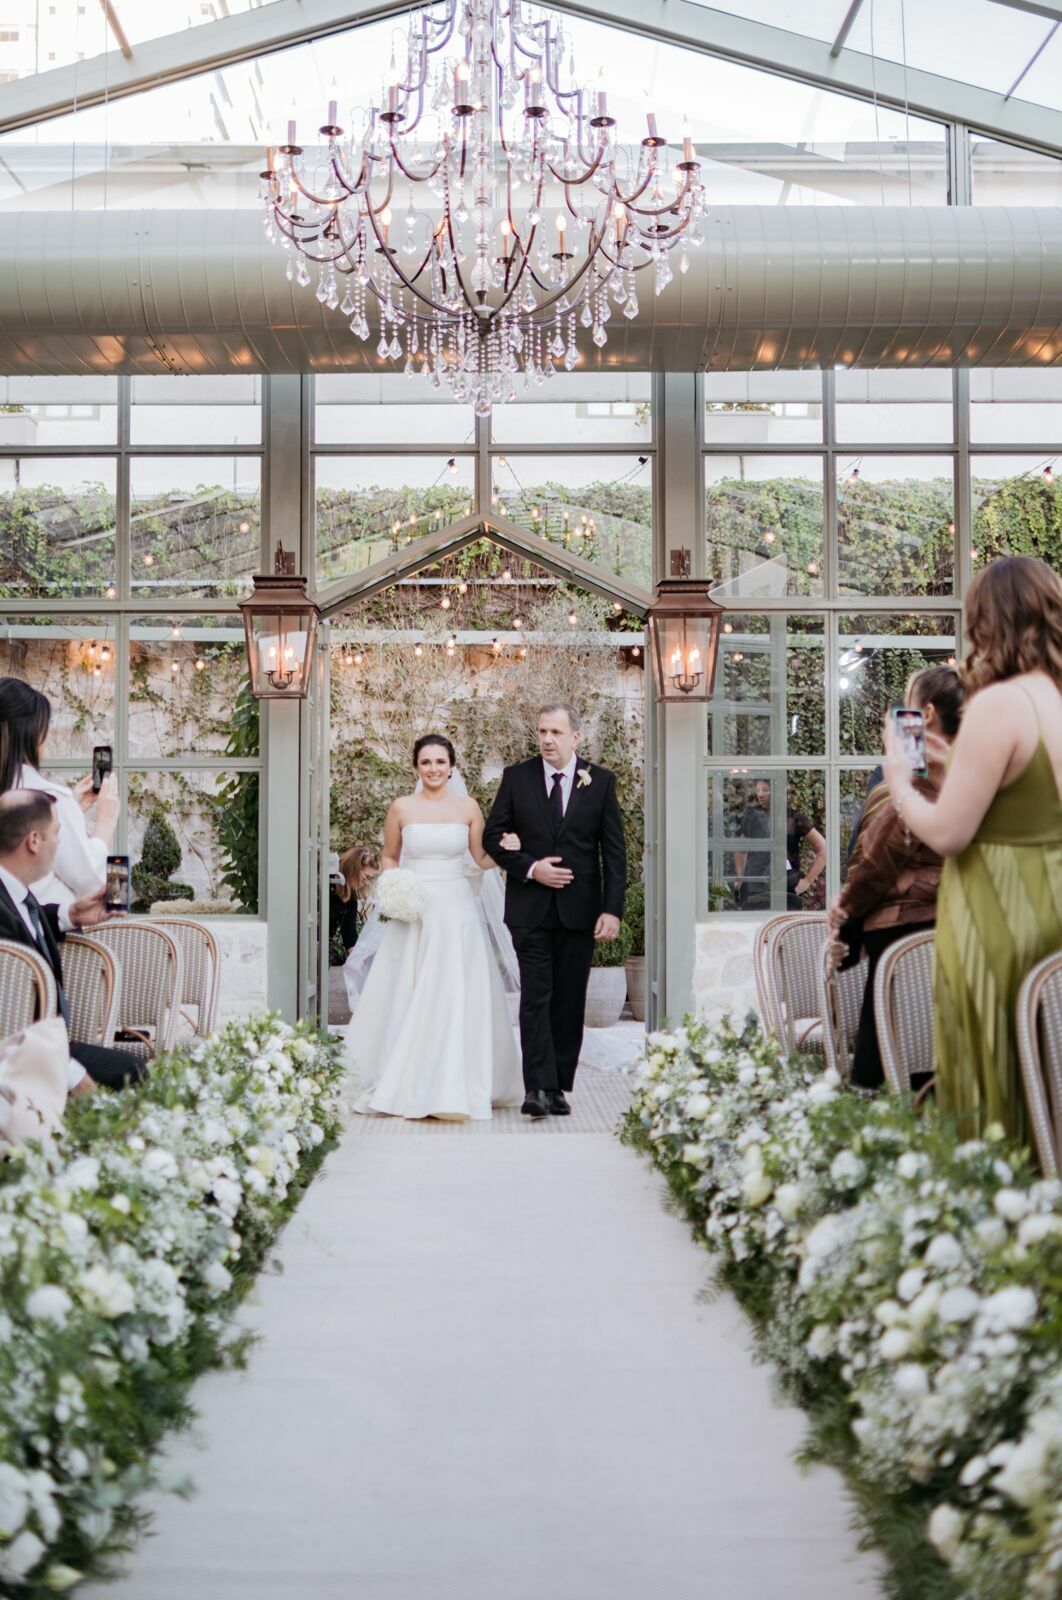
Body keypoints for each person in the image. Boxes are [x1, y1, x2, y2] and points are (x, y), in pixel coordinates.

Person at [882, 556, 1062, 1144]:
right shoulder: (1053, 699)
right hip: (1051, 903)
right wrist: (948, 762)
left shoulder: (998, 705)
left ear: (989, 621)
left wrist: (902, 781)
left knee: (998, 1075)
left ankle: (997, 1211)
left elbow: (949, 832)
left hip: (999, 915)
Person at [348, 735, 523, 1121]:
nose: (433, 769)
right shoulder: (401, 808)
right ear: (416, 767)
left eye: (440, 762)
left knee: (454, 990)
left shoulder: (468, 807)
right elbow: (391, 857)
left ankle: (456, 1081)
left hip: (457, 908)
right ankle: (406, 1078)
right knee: (411, 989)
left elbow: (479, 857)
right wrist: (396, 891)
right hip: (416, 910)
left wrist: (508, 849)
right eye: (425, 762)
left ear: (452, 766)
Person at [483, 703, 627, 1119]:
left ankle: (560, 1084)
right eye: (542, 731)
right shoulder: (517, 778)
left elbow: (614, 854)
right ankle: (537, 1088)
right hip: (529, 911)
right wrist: (531, 867)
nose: (547, 739)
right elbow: (493, 838)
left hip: (580, 912)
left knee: (568, 1000)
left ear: (575, 738)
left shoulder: (599, 782)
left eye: (556, 733)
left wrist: (611, 911)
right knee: (536, 997)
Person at [828, 666, 965, 1090]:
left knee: (879, 1048)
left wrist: (844, 909)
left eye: (905, 707)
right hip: (955, 929)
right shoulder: (974, 775)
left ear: (924, 715)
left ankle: (868, 1087)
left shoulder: (912, 786)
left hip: (905, 932)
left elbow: (877, 862)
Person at [0, 789, 144, 1092]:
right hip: (21, 1049)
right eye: (57, 832)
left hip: (46, 1041)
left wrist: (71, 915)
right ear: (34, 841)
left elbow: (22, 926)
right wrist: (67, 1071)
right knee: (132, 1071)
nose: (60, 842)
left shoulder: (17, 893)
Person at [0, 678, 120, 913]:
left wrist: (71, 806)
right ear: (33, 735)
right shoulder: (50, 797)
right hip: (49, 938)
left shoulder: (27, 796)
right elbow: (92, 883)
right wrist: (105, 823)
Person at [733, 778, 826, 910]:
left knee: (785, 928)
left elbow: (824, 849)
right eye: (758, 790)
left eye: (765, 790)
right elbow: (740, 850)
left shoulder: (794, 818)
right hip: (756, 888)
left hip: (787, 888)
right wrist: (739, 877)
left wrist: (807, 882)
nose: (760, 794)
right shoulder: (753, 817)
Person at [329, 846, 378, 957]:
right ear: (354, 868)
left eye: (369, 879)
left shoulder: (351, 900)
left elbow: (350, 937)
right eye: (366, 877)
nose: (366, 882)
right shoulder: (327, 881)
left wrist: (359, 960)